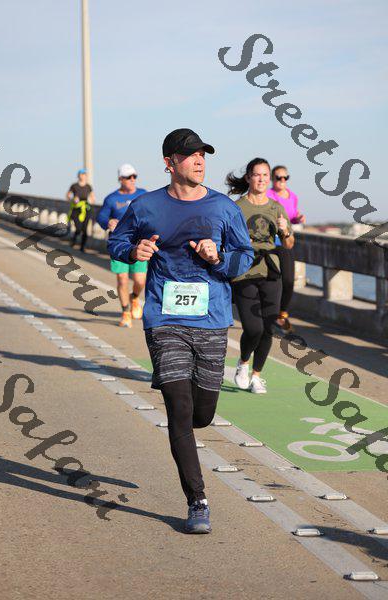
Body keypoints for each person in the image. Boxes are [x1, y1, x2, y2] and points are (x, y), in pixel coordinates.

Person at [108, 128, 254, 534]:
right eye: (190, 155)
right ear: (169, 162)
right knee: (179, 407)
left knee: (201, 414)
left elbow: (244, 256)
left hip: (212, 319)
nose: (199, 161)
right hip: (164, 318)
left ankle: (191, 428)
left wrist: (218, 257)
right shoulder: (146, 206)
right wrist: (133, 250)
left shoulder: (223, 207)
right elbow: (117, 241)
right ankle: (197, 500)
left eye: (202, 154)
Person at [226, 158, 294, 394]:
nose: (262, 179)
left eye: (266, 175)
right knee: (253, 328)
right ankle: (243, 362)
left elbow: (289, 244)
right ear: (248, 178)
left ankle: (256, 376)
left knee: (268, 328)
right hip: (244, 272)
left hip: (271, 271)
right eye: (257, 174)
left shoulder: (276, 208)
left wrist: (284, 230)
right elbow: (226, 239)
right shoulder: (237, 207)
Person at [97, 164, 147, 327]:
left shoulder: (143, 195)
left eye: (134, 176)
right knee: (122, 280)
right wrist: (108, 222)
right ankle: (125, 312)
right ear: (120, 179)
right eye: (128, 177)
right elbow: (101, 217)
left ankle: (134, 298)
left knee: (140, 281)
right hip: (118, 245)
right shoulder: (111, 199)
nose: (132, 180)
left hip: (138, 244)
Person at [267, 165, 305, 332]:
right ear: (272, 179)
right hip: (269, 242)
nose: (282, 180)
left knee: (289, 280)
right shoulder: (268, 195)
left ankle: (282, 314)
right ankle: (269, 313)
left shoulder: (293, 196)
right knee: (272, 279)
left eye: (285, 177)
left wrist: (298, 218)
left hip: (285, 241)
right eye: (278, 177)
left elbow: (292, 217)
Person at [66, 169, 95, 252]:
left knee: (85, 229)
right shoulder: (74, 186)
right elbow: (68, 195)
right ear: (78, 176)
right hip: (76, 209)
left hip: (86, 209)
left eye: (84, 174)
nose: (82, 176)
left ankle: (82, 247)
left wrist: (91, 200)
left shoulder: (88, 186)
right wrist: (73, 199)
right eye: (81, 174)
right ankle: (74, 239)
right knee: (78, 228)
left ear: (86, 176)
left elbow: (93, 197)